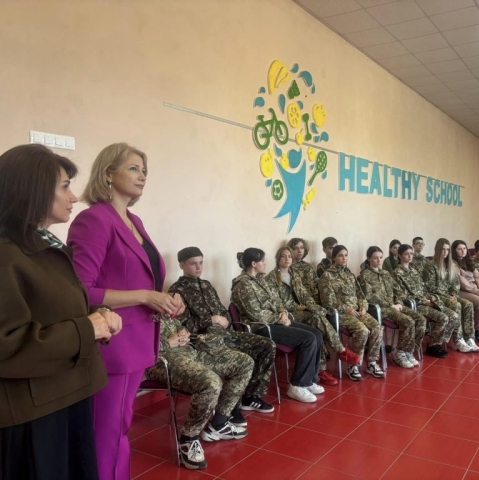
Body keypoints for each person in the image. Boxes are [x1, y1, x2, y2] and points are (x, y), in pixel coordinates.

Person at [0, 145, 122, 480]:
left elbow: (56, 307)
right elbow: (6, 344)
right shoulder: (7, 256)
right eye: (65, 186)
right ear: (34, 190)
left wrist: (99, 315)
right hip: (34, 413)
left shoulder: (44, 246)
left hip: (66, 394)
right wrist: (86, 329)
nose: (74, 197)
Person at [68, 142, 185, 480]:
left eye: (144, 170)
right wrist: (145, 296)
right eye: (134, 168)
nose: (142, 176)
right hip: (112, 343)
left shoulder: (134, 220)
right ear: (108, 173)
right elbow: (80, 290)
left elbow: (142, 279)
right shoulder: (94, 219)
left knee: (118, 427)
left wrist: (165, 299)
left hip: (138, 341)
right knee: (106, 432)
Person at [168, 247, 276, 424]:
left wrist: (224, 319)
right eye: (193, 264)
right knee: (237, 359)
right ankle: (231, 408)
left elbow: (223, 311)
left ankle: (251, 396)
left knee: (266, 345)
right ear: (181, 265)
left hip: (224, 334)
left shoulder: (206, 285)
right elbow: (183, 326)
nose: (199, 267)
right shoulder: (176, 291)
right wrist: (210, 320)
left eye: (201, 262)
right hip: (203, 341)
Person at [145, 314, 253, 469]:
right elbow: (132, 348)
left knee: (245, 363)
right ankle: (188, 439)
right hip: (162, 360)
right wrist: (167, 342)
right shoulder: (130, 308)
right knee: (211, 383)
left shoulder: (160, 307)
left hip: (190, 351)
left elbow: (176, 325)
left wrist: (183, 332)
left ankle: (219, 423)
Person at [231, 248, 324, 402]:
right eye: (262, 261)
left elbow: (275, 300)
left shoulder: (260, 280)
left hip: (275, 321)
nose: (265, 263)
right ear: (253, 263)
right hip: (260, 327)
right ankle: (297, 385)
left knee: (317, 334)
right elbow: (255, 314)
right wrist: (279, 318)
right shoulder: (243, 285)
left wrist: (283, 312)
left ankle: (309, 380)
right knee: (308, 339)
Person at [266, 246, 360, 385]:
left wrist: (314, 307)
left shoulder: (294, 275)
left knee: (319, 318)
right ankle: (340, 350)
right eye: (283, 256)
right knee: (317, 320)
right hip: (287, 315)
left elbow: (305, 295)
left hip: (302, 311)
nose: (287, 259)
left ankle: (322, 369)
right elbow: (277, 303)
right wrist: (299, 307)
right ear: (278, 259)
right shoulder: (271, 278)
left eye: (289, 256)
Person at [318, 245, 385, 380]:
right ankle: (353, 365)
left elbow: (360, 295)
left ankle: (372, 363)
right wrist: (345, 308)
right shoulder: (327, 276)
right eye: (340, 255)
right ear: (334, 258)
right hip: (342, 313)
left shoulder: (350, 275)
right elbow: (327, 302)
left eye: (346, 255)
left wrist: (363, 306)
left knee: (377, 328)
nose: (344, 258)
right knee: (362, 331)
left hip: (358, 311)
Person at [392, 245, 466, 357]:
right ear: (400, 256)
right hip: (416, 305)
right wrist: (424, 301)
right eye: (406, 254)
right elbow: (402, 296)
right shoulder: (396, 273)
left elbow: (423, 289)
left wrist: (431, 298)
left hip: (426, 300)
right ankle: (433, 346)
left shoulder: (414, 271)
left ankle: (437, 342)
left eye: (411, 254)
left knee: (453, 316)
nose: (410, 256)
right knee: (443, 318)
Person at [359, 246, 428, 366]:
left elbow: (397, 290)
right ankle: (400, 353)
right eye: (375, 258)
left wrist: (399, 302)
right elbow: (370, 297)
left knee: (420, 319)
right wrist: (391, 305)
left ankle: (409, 351)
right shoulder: (364, 275)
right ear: (369, 258)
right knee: (408, 321)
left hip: (394, 306)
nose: (379, 260)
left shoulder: (385, 274)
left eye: (381, 257)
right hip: (382, 309)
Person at [424, 239, 479, 352]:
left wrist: (453, 293)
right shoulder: (430, 266)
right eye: (443, 249)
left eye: (447, 250)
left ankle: (469, 338)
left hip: (450, 295)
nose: (445, 252)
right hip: (437, 296)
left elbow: (455, 283)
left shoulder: (451, 264)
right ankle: (458, 340)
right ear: (437, 250)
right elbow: (430, 287)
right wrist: (447, 296)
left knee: (468, 304)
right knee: (456, 305)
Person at [288, 238, 320, 302]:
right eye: (295, 248)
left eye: (302, 248)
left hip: (315, 300)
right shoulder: (287, 268)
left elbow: (317, 283)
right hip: (300, 302)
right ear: (290, 250)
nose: (299, 251)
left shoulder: (308, 266)